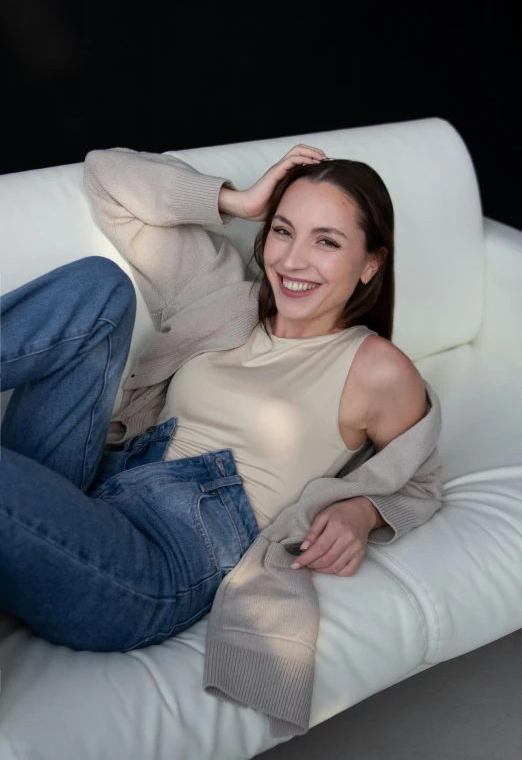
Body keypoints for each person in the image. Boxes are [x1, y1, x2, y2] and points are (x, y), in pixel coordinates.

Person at [0, 144, 429, 652]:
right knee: (98, 285)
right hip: (89, 487)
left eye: (327, 242)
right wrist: (240, 201)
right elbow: (107, 175)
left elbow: (419, 476)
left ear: (370, 264)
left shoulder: (377, 368)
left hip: (154, 564)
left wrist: (363, 512)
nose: (293, 260)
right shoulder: (223, 294)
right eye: (282, 230)